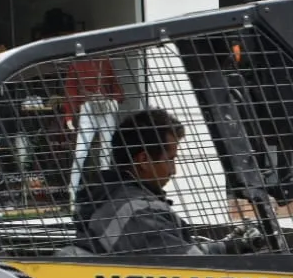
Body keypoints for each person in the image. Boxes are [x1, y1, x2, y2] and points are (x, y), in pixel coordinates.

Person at [75, 108, 265, 256]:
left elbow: (175, 250)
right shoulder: (139, 212)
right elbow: (194, 269)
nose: (173, 171)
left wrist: (229, 246)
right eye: (170, 159)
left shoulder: (114, 198)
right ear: (144, 161)